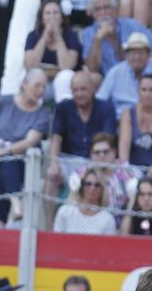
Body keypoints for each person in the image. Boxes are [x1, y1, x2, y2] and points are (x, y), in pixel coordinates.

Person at [0, 67, 52, 223]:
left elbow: (31, 141)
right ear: (24, 84)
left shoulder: (43, 113)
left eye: (44, 87)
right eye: (37, 85)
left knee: (8, 162)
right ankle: (15, 205)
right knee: (7, 162)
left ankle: (2, 218)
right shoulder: (4, 101)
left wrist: (6, 150)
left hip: (24, 161)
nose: (41, 90)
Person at [48, 69, 118, 200]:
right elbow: (56, 138)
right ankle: (51, 221)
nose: (79, 94)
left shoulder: (106, 108)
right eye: (75, 90)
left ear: (93, 89)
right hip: (68, 159)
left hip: (95, 160)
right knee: (51, 178)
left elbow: (108, 140)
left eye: (83, 89)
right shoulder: (63, 108)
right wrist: (54, 163)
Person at [80, 0, 152, 89]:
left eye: (107, 7)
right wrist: (98, 39)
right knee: (92, 78)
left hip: (136, 79)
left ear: (116, 10)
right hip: (107, 82)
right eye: (98, 9)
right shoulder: (89, 33)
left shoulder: (132, 25)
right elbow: (92, 68)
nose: (103, 13)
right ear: (93, 14)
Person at [96, 31, 152, 120]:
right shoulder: (115, 72)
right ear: (126, 54)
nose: (137, 57)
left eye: (141, 52)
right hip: (120, 121)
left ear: (148, 55)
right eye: (133, 52)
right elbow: (100, 100)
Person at [25, 0, 81, 104]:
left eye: (55, 13)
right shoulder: (33, 36)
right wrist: (44, 37)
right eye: (48, 13)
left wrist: (58, 37)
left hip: (62, 83)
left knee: (65, 76)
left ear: (62, 18)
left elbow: (67, 66)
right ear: (42, 18)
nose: (52, 17)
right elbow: (30, 66)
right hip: (42, 81)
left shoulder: (71, 36)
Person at [53, 167, 117, 234]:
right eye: (88, 184)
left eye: (97, 185)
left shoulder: (107, 219)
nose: (92, 188)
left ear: (102, 189)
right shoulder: (65, 212)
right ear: (82, 186)